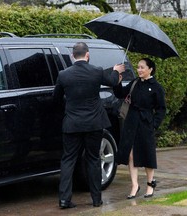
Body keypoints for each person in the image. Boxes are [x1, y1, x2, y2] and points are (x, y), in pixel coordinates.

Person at [53, 42, 125, 209]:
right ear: (87, 55)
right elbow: (113, 81)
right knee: (93, 159)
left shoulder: (63, 75)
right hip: (94, 124)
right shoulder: (96, 71)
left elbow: (56, 99)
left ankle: (64, 200)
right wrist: (116, 70)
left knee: (68, 160)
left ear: (72, 56)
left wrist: (69, 105)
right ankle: (96, 199)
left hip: (72, 124)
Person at [113, 58, 166, 199]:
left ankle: (150, 184)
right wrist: (117, 81)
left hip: (146, 122)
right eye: (138, 67)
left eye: (142, 67)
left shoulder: (156, 87)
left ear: (150, 69)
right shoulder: (135, 82)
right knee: (130, 154)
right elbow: (120, 94)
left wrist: (154, 124)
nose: (139, 70)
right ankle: (134, 185)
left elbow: (161, 109)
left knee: (147, 153)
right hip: (131, 121)